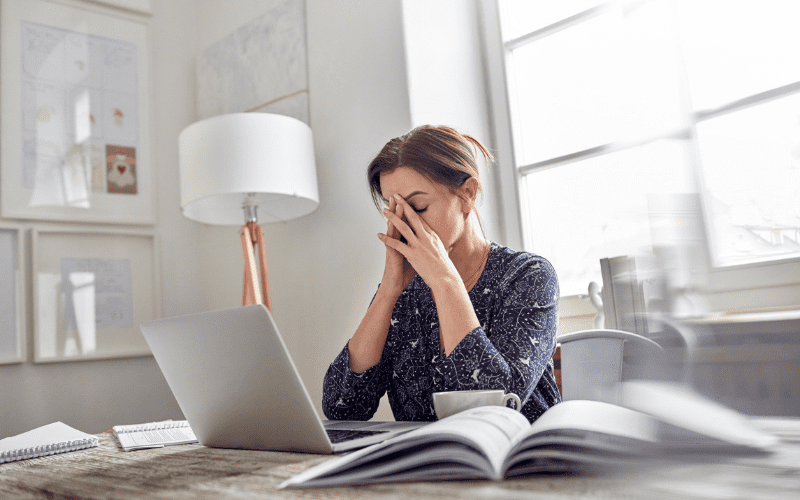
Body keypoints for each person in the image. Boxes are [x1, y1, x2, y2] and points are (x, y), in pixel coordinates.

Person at [322, 125, 560, 423]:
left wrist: (445, 281)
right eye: (394, 210)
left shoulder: (529, 276)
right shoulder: (403, 293)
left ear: (467, 194)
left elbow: (493, 407)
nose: (405, 224)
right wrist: (387, 293)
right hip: (427, 465)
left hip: (519, 462)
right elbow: (342, 408)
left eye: (418, 207)